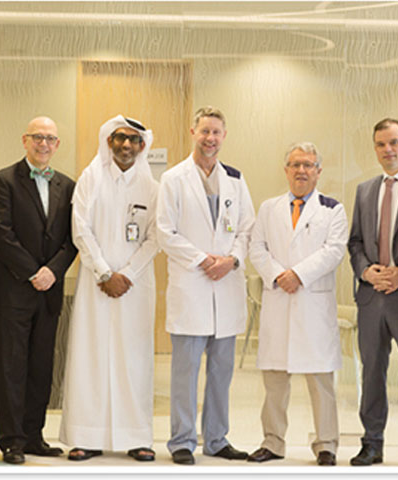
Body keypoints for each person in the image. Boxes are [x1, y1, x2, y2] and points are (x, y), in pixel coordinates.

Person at [156, 106, 255, 465]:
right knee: (185, 372)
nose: (210, 138)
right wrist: (203, 260)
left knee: (221, 371)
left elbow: (247, 228)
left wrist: (231, 260)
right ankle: (182, 440)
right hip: (193, 285)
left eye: (216, 132)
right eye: (204, 131)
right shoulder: (173, 178)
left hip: (225, 286)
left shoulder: (235, 179)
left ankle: (216, 439)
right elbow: (164, 231)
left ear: (224, 136)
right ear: (193, 133)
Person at [59, 115, 158, 462]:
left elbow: (155, 238)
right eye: (119, 138)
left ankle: (137, 437)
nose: (126, 145)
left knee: (135, 359)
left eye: (133, 140)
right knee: (91, 356)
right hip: (95, 283)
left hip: (135, 286)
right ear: (109, 142)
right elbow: (80, 229)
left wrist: (126, 275)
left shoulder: (151, 187)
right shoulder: (91, 178)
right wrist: (104, 272)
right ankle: (86, 437)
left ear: (142, 146)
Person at [248, 142, 348, 466]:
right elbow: (257, 248)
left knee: (321, 383)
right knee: (275, 382)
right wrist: (279, 276)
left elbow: (334, 251)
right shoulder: (268, 208)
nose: (301, 170)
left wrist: (298, 275)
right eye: (295, 165)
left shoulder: (333, 209)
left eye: (308, 165)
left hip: (312, 304)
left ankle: (326, 444)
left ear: (318, 171)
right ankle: (273, 442)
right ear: (286, 170)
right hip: (280, 300)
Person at [0, 116, 77, 464]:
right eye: (37, 137)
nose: (43, 144)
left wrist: (52, 272)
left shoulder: (67, 185)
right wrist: (33, 272)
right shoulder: (4, 180)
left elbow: (72, 238)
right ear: (25, 140)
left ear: (57, 145)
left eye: (50, 138)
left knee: (41, 367)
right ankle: (11, 440)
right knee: (11, 368)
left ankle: (34, 436)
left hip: (49, 291)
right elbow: (1, 233)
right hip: (13, 291)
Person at [347, 119, 398, 465]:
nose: (388, 150)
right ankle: (372, 443)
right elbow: (355, 242)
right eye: (381, 144)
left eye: (394, 142)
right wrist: (366, 271)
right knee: (371, 372)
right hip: (371, 297)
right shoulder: (365, 190)